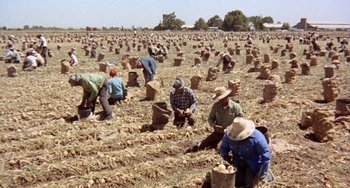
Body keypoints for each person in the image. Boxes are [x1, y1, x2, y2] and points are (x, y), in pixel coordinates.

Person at [220, 117, 272, 188]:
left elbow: (265, 156)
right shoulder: (228, 135)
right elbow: (223, 148)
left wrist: (259, 176)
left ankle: (266, 173)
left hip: (253, 163)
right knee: (236, 181)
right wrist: (226, 156)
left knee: (249, 183)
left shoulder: (257, 137)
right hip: (238, 162)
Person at [196, 87, 243, 151]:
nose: (221, 101)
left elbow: (240, 121)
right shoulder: (216, 106)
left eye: (222, 99)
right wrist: (214, 126)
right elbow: (210, 118)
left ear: (227, 96)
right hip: (217, 133)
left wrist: (228, 129)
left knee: (219, 149)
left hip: (231, 134)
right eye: (219, 99)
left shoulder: (236, 107)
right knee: (201, 146)